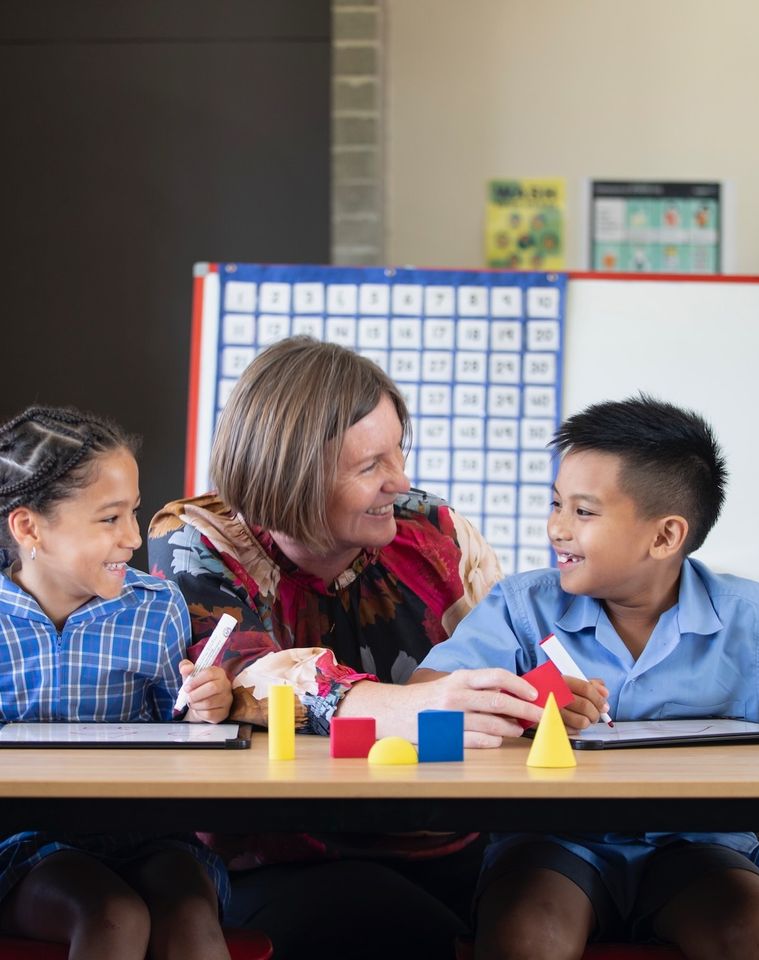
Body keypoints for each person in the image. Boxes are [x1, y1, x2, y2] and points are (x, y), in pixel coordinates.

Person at [148, 336, 543, 959]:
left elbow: (511, 652)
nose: (401, 481)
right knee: (400, 929)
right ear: (291, 479)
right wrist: (413, 705)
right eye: (370, 467)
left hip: (450, 835)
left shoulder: (433, 532)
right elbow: (246, 678)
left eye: (398, 453)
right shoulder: (199, 542)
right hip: (284, 855)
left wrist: (543, 696)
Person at [413, 394, 759, 960]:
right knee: (525, 935)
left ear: (666, 536)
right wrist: (523, 709)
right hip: (554, 842)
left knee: (745, 930)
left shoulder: (749, 621)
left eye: (584, 511)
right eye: (556, 504)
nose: (557, 528)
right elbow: (419, 702)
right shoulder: (523, 608)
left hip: (701, 847)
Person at [0, 406, 234, 960]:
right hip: (21, 843)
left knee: (192, 916)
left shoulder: (155, 608)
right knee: (113, 917)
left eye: (134, 512)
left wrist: (204, 709)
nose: (133, 537)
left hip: (142, 835)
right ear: (29, 527)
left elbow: (173, 729)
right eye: (109, 519)